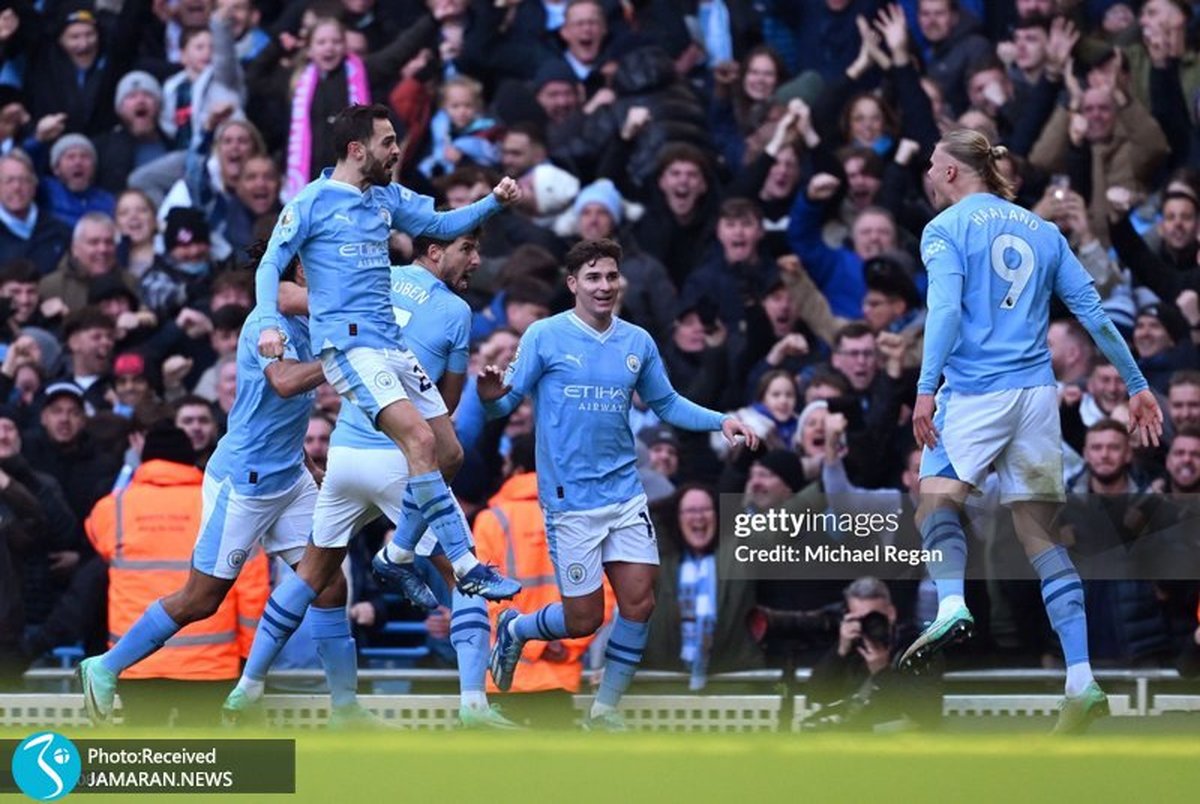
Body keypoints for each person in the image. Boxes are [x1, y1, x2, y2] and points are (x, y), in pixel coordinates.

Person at [231, 103, 522, 718]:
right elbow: (268, 270)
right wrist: (265, 327)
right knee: (422, 445)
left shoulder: (385, 202)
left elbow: (446, 219)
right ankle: (465, 568)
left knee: (449, 451)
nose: (398, 151)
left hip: (381, 364)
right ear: (357, 148)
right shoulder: (309, 203)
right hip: (350, 349)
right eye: (389, 142)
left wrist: (495, 200)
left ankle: (251, 685)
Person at [899, 129, 1163, 734]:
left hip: (976, 391)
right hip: (1039, 396)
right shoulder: (1044, 232)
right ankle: (1081, 678)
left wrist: (924, 386)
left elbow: (942, 310)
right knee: (1038, 533)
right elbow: (1093, 313)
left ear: (947, 174)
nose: (931, 174)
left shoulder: (944, 230)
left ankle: (950, 605)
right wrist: (1137, 383)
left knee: (933, 502)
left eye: (933, 164)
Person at [479, 238, 759, 731]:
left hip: (624, 492)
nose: (604, 286)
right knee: (584, 619)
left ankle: (605, 711)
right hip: (570, 501)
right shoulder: (545, 336)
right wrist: (488, 396)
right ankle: (518, 627)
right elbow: (505, 403)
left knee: (640, 600)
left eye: (611, 276)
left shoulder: (637, 342)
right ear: (572, 285)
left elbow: (668, 404)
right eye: (593, 277)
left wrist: (723, 420)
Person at [76, 256, 353, 726]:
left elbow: (286, 417)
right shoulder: (265, 324)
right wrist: (342, 354)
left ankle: (346, 708)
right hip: (243, 482)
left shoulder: (313, 321)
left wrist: (307, 464)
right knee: (201, 600)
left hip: (289, 476)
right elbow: (284, 382)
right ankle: (104, 666)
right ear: (300, 272)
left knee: (330, 584)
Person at [83, 422, 268, 726]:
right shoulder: (221, 507)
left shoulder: (112, 508)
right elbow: (251, 587)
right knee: (203, 760)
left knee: (143, 761)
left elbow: (97, 540)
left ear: (144, 457)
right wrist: (251, 661)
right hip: (210, 663)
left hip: (135, 661)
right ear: (189, 458)